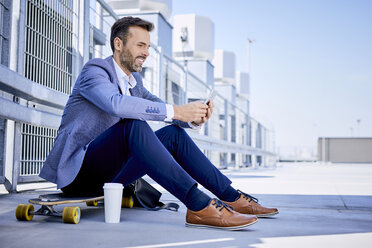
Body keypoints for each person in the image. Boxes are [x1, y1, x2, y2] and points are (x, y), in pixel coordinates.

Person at [40, 16, 278, 230]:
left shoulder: (135, 83)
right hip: (79, 174)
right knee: (133, 125)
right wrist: (176, 110)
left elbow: (162, 107)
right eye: (140, 45)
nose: (146, 52)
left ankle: (231, 197)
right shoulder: (95, 71)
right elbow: (115, 104)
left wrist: (192, 117)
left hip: (113, 176)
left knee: (173, 134)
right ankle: (198, 205)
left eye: (148, 47)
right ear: (118, 44)